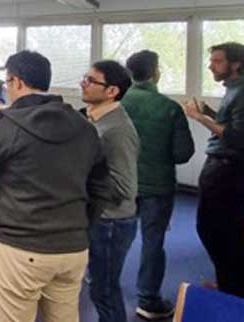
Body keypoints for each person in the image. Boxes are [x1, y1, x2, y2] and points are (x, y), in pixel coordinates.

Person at [0, 50, 111, 322]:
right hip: (73, 247)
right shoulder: (85, 126)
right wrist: (80, 225)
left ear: (16, 82)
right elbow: (101, 188)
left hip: (21, 247)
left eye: (8, 83)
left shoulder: (7, 124)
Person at [182, 42, 244, 299]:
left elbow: (237, 137)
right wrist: (209, 113)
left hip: (229, 170)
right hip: (222, 167)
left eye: (217, 61)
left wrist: (199, 118)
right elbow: (230, 123)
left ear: (236, 64)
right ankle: (230, 284)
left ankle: (237, 289)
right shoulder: (236, 90)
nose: (211, 66)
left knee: (223, 229)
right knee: (219, 228)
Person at [121, 50, 195, 320]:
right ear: (155, 72)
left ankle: (98, 279)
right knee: (153, 242)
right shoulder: (169, 108)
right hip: (157, 187)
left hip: (121, 184)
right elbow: (183, 153)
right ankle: (149, 300)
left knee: (113, 235)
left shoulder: (117, 104)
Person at [81, 60, 140, 322]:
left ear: (112, 91)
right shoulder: (96, 119)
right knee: (99, 286)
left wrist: (76, 178)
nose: (83, 84)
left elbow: (124, 188)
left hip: (111, 222)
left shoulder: (116, 130)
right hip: (101, 218)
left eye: (91, 81)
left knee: (104, 290)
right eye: (85, 78)